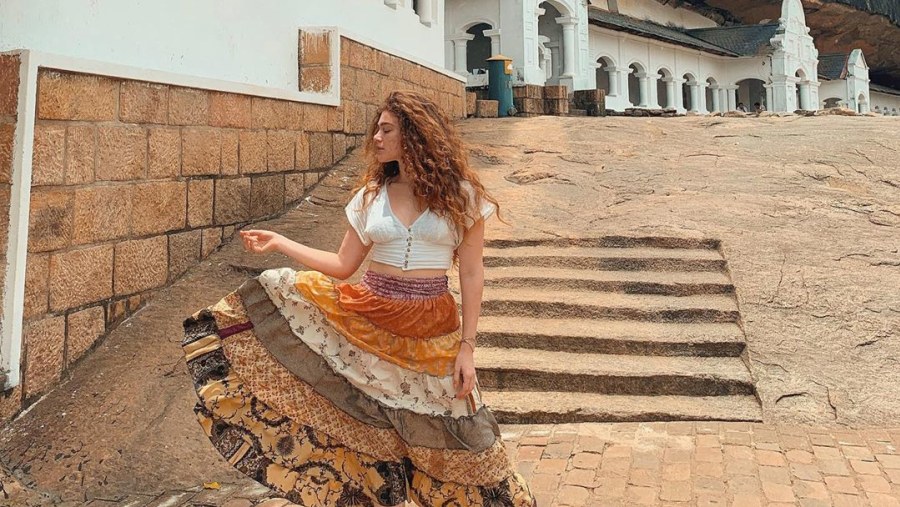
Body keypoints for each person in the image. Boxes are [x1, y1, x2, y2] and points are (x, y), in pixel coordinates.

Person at [181, 90, 536, 507]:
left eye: (386, 129)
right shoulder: (371, 196)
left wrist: (468, 347)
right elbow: (343, 264)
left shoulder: (461, 196)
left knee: (460, 428)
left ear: (415, 135)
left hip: (433, 326)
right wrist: (281, 243)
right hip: (369, 317)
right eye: (377, 130)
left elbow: (473, 274)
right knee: (372, 424)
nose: (377, 138)